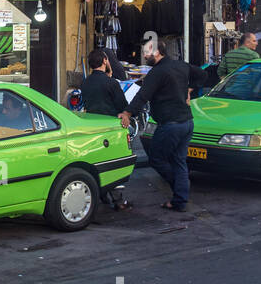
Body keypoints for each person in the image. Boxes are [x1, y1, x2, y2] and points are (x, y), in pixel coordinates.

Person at [120, 40, 192, 212]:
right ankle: (180, 199)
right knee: (179, 160)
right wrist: (189, 91)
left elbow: (142, 96)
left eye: (147, 52)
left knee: (157, 159)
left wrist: (128, 113)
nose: (144, 56)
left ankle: (182, 190)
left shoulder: (157, 72)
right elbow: (200, 76)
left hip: (171, 125)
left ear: (158, 52)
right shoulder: (180, 66)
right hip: (187, 122)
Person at [82, 50, 131, 210]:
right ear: (104, 60)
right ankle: (119, 201)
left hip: (92, 127)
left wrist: (108, 71)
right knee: (114, 165)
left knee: (98, 162)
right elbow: (123, 106)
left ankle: (103, 195)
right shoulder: (112, 83)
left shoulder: (86, 82)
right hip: (110, 129)